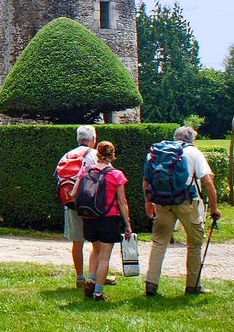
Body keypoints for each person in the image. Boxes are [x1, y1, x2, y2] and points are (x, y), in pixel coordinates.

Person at [144, 125, 221, 296]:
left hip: (162, 202)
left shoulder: (155, 152)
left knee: (159, 242)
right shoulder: (194, 153)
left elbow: (146, 180)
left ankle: (151, 283)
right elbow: (207, 181)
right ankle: (193, 286)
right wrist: (214, 207)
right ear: (191, 139)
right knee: (194, 243)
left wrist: (148, 202)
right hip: (187, 202)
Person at [70, 141, 132, 301]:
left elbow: (73, 193)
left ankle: (90, 280)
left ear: (97, 154)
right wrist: (127, 224)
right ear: (112, 155)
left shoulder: (86, 170)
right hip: (108, 218)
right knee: (105, 256)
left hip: (89, 217)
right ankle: (98, 292)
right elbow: (122, 202)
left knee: (95, 250)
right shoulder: (117, 175)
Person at [57, 125, 98, 289]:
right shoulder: (94, 155)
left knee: (77, 241)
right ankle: (94, 276)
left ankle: (79, 277)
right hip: (91, 203)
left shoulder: (66, 156)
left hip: (71, 202)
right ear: (93, 140)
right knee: (97, 243)